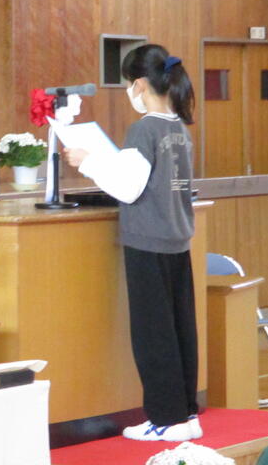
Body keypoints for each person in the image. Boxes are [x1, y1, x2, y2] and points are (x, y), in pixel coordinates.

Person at [63, 44, 201, 442]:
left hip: (149, 242)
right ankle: (185, 414)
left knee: (153, 335)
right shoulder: (178, 129)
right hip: (177, 241)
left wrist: (87, 161)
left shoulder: (143, 130)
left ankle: (165, 419)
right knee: (179, 331)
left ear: (139, 84)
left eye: (128, 83)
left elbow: (128, 187)